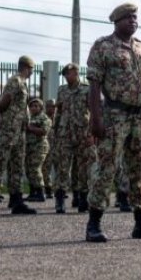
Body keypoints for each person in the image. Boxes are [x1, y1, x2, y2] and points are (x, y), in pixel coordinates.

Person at [85, 3, 141, 242]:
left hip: (139, 117)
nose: (133, 21)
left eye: (135, 17)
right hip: (115, 116)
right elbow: (94, 85)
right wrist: (96, 119)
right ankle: (94, 223)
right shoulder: (103, 46)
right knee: (107, 168)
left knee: (139, 170)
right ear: (116, 21)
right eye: (128, 17)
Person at [0, 56, 37, 215]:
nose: (32, 72)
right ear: (26, 67)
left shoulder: (23, 83)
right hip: (7, 131)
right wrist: (4, 117)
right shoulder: (15, 81)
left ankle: (16, 201)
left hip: (19, 132)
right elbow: (4, 101)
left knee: (17, 167)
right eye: (32, 69)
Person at [53, 63, 97, 214]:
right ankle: (60, 200)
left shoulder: (86, 89)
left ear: (76, 73)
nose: (67, 76)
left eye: (70, 73)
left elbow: (93, 112)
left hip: (82, 133)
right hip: (65, 133)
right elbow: (58, 112)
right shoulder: (62, 90)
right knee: (63, 167)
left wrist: (92, 133)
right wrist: (55, 130)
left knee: (83, 167)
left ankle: (82, 198)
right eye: (65, 74)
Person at [24, 98, 51, 202]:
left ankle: (40, 193)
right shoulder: (28, 118)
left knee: (35, 168)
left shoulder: (44, 118)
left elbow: (44, 131)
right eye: (31, 106)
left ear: (41, 108)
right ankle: (32, 192)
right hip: (29, 147)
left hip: (39, 146)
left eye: (36, 106)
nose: (33, 108)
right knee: (28, 169)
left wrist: (30, 128)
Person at [42, 99, 57, 199]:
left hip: (58, 147)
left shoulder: (59, 118)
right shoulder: (43, 118)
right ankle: (48, 190)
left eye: (52, 106)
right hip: (47, 147)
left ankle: (60, 190)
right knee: (45, 169)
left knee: (61, 169)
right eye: (48, 106)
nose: (50, 108)